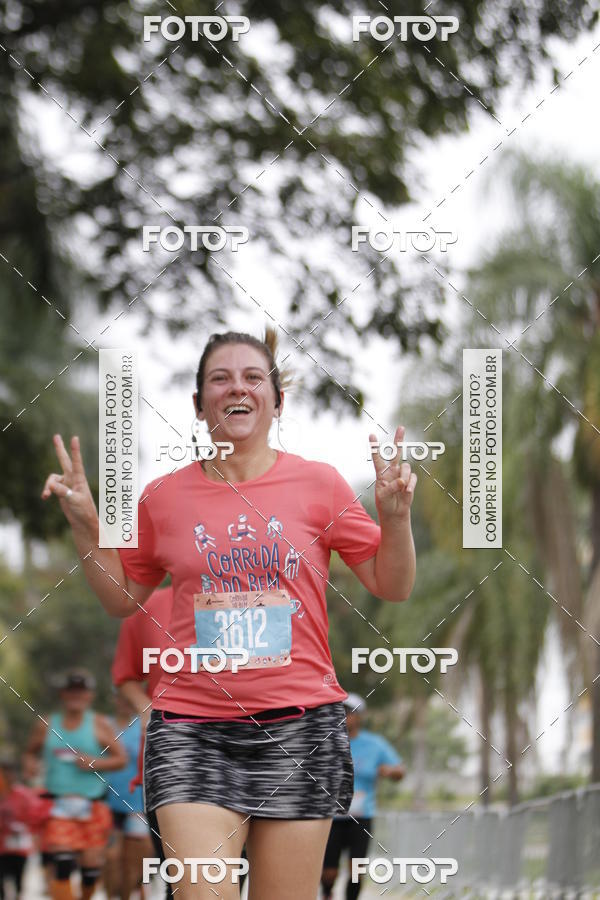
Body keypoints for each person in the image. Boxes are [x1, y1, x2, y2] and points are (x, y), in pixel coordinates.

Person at [42, 327, 417, 900]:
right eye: (220, 378)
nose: (236, 388)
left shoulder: (319, 484)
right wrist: (86, 528)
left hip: (300, 731)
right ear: (199, 404)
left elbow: (393, 584)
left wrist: (395, 519)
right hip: (191, 731)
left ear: (277, 401)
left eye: (251, 377)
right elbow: (121, 598)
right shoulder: (164, 497)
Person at [23, 668, 127, 900]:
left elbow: (121, 760)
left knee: (90, 871)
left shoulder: (99, 724)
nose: (76, 696)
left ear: (90, 696)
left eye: (81, 692)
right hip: (58, 806)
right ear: (63, 694)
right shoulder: (47, 724)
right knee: (63, 863)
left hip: (93, 806)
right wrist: (30, 765)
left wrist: (95, 762)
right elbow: (30, 752)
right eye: (71, 691)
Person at [110, 586, 175, 899]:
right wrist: (148, 710)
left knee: (235, 867)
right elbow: (126, 675)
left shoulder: (258, 592)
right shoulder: (147, 605)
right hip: (169, 759)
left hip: (254, 752)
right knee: (180, 873)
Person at [320, 694, 405, 900]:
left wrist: (390, 772)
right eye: (339, 711)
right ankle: (327, 892)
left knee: (357, 869)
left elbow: (400, 770)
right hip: (331, 816)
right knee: (329, 871)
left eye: (348, 712)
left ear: (359, 716)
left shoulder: (375, 744)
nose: (343, 716)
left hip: (361, 817)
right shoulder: (325, 741)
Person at [103, 693, 153, 900]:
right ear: (114, 699)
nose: (124, 702)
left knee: (134, 861)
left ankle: (131, 893)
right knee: (111, 858)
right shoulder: (104, 725)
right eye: (120, 698)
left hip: (136, 805)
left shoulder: (144, 726)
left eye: (128, 699)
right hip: (106, 803)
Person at [0, 756, 46, 899]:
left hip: (19, 846)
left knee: (18, 880)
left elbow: (35, 814)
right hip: (1, 846)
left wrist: (26, 828)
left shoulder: (23, 795)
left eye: (8, 773)